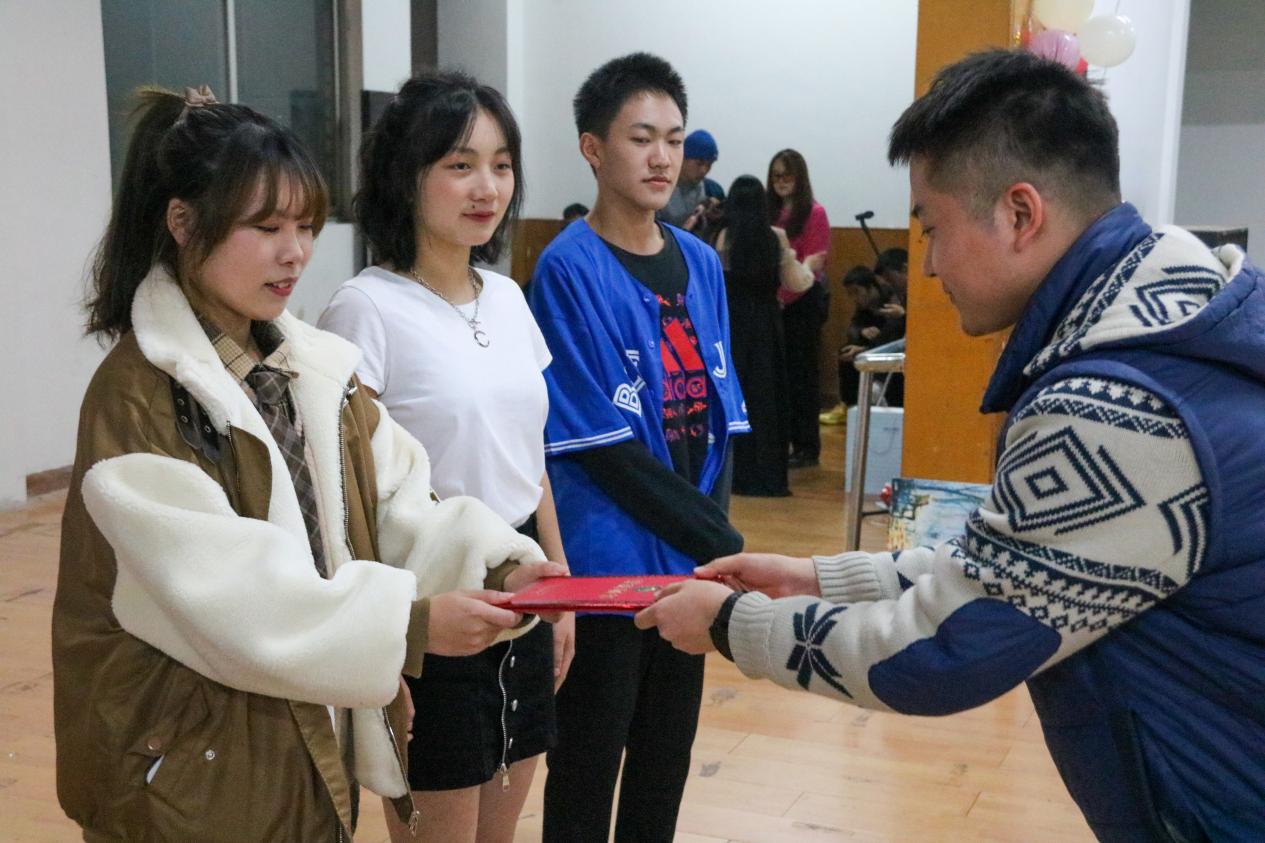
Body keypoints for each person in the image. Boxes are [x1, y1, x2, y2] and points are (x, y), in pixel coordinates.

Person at [638, 49, 1265, 843]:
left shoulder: (1114, 408)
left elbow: (938, 652)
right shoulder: (1171, 320)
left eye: (932, 228)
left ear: (1019, 213)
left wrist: (734, 624)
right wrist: (815, 577)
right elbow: (1016, 566)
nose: (928, 265)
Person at [52, 85, 564, 842]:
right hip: (178, 757)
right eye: (266, 227)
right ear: (183, 223)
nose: (294, 252)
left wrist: (502, 562)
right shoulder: (138, 397)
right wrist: (409, 625)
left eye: (305, 226)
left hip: (289, 730)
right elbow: (228, 595)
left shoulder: (312, 368)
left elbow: (398, 500)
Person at [318, 72, 572, 843]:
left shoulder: (508, 297)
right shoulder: (364, 308)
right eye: (460, 164)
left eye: (501, 165)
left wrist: (560, 586)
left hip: (523, 583)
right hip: (431, 594)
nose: (486, 187)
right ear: (407, 176)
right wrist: (387, 644)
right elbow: (345, 493)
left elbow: (530, 456)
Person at [527, 53, 749, 842]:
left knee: (665, 756)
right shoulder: (565, 267)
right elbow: (598, 444)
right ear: (593, 148)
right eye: (640, 137)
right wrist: (718, 537)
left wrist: (710, 551)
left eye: (672, 139)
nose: (661, 157)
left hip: (687, 563)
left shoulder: (700, 261)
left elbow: (720, 417)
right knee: (588, 760)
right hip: (607, 560)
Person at [713, 174, 821, 496]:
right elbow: (797, 282)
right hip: (765, 328)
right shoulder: (775, 237)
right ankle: (766, 476)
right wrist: (809, 265)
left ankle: (732, 475)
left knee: (734, 396)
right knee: (766, 400)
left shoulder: (721, 238)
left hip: (730, 327)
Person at [767, 148, 831, 467]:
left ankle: (806, 446)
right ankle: (780, 441)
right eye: (776, 176)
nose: (781, 182)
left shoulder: (815, 213)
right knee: (777, 377)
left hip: (803, 302)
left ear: (799, 177)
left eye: (787, 175)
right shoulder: (769, 213)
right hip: (774, 301)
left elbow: (814, 264)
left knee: (802, 376)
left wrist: (783, 296)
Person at [819, 265, 905, 426]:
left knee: (859, 354)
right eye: (850, 294)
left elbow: (893, 335)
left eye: (856, 292)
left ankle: (876, 392)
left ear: (871, 288)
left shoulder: (891, 302)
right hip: (873, 345)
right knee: (845, 352)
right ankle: (848, 404)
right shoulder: (863, 307)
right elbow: (853, 327)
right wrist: (861, 332)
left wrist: (866, 348)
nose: (854, 298)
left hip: (889, 347)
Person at [658, 128, 720, 234]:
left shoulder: (713, 190)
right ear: (683, 157)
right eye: (699, 163)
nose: (704, 170)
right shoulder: (659, 186)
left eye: (709, 165)